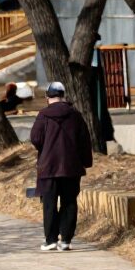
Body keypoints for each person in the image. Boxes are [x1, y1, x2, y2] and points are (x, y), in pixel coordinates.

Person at [29, 81, 93, 250]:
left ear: (47, 97)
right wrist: (86, 161)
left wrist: (45, 148)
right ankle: (65, 241)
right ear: (63, 96)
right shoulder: (75, 115)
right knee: (69, 202)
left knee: (49, 203)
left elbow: (35, 138)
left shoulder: (43, 115)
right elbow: (84, 141)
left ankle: (50, 240)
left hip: (48, 166)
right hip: (71, 167)